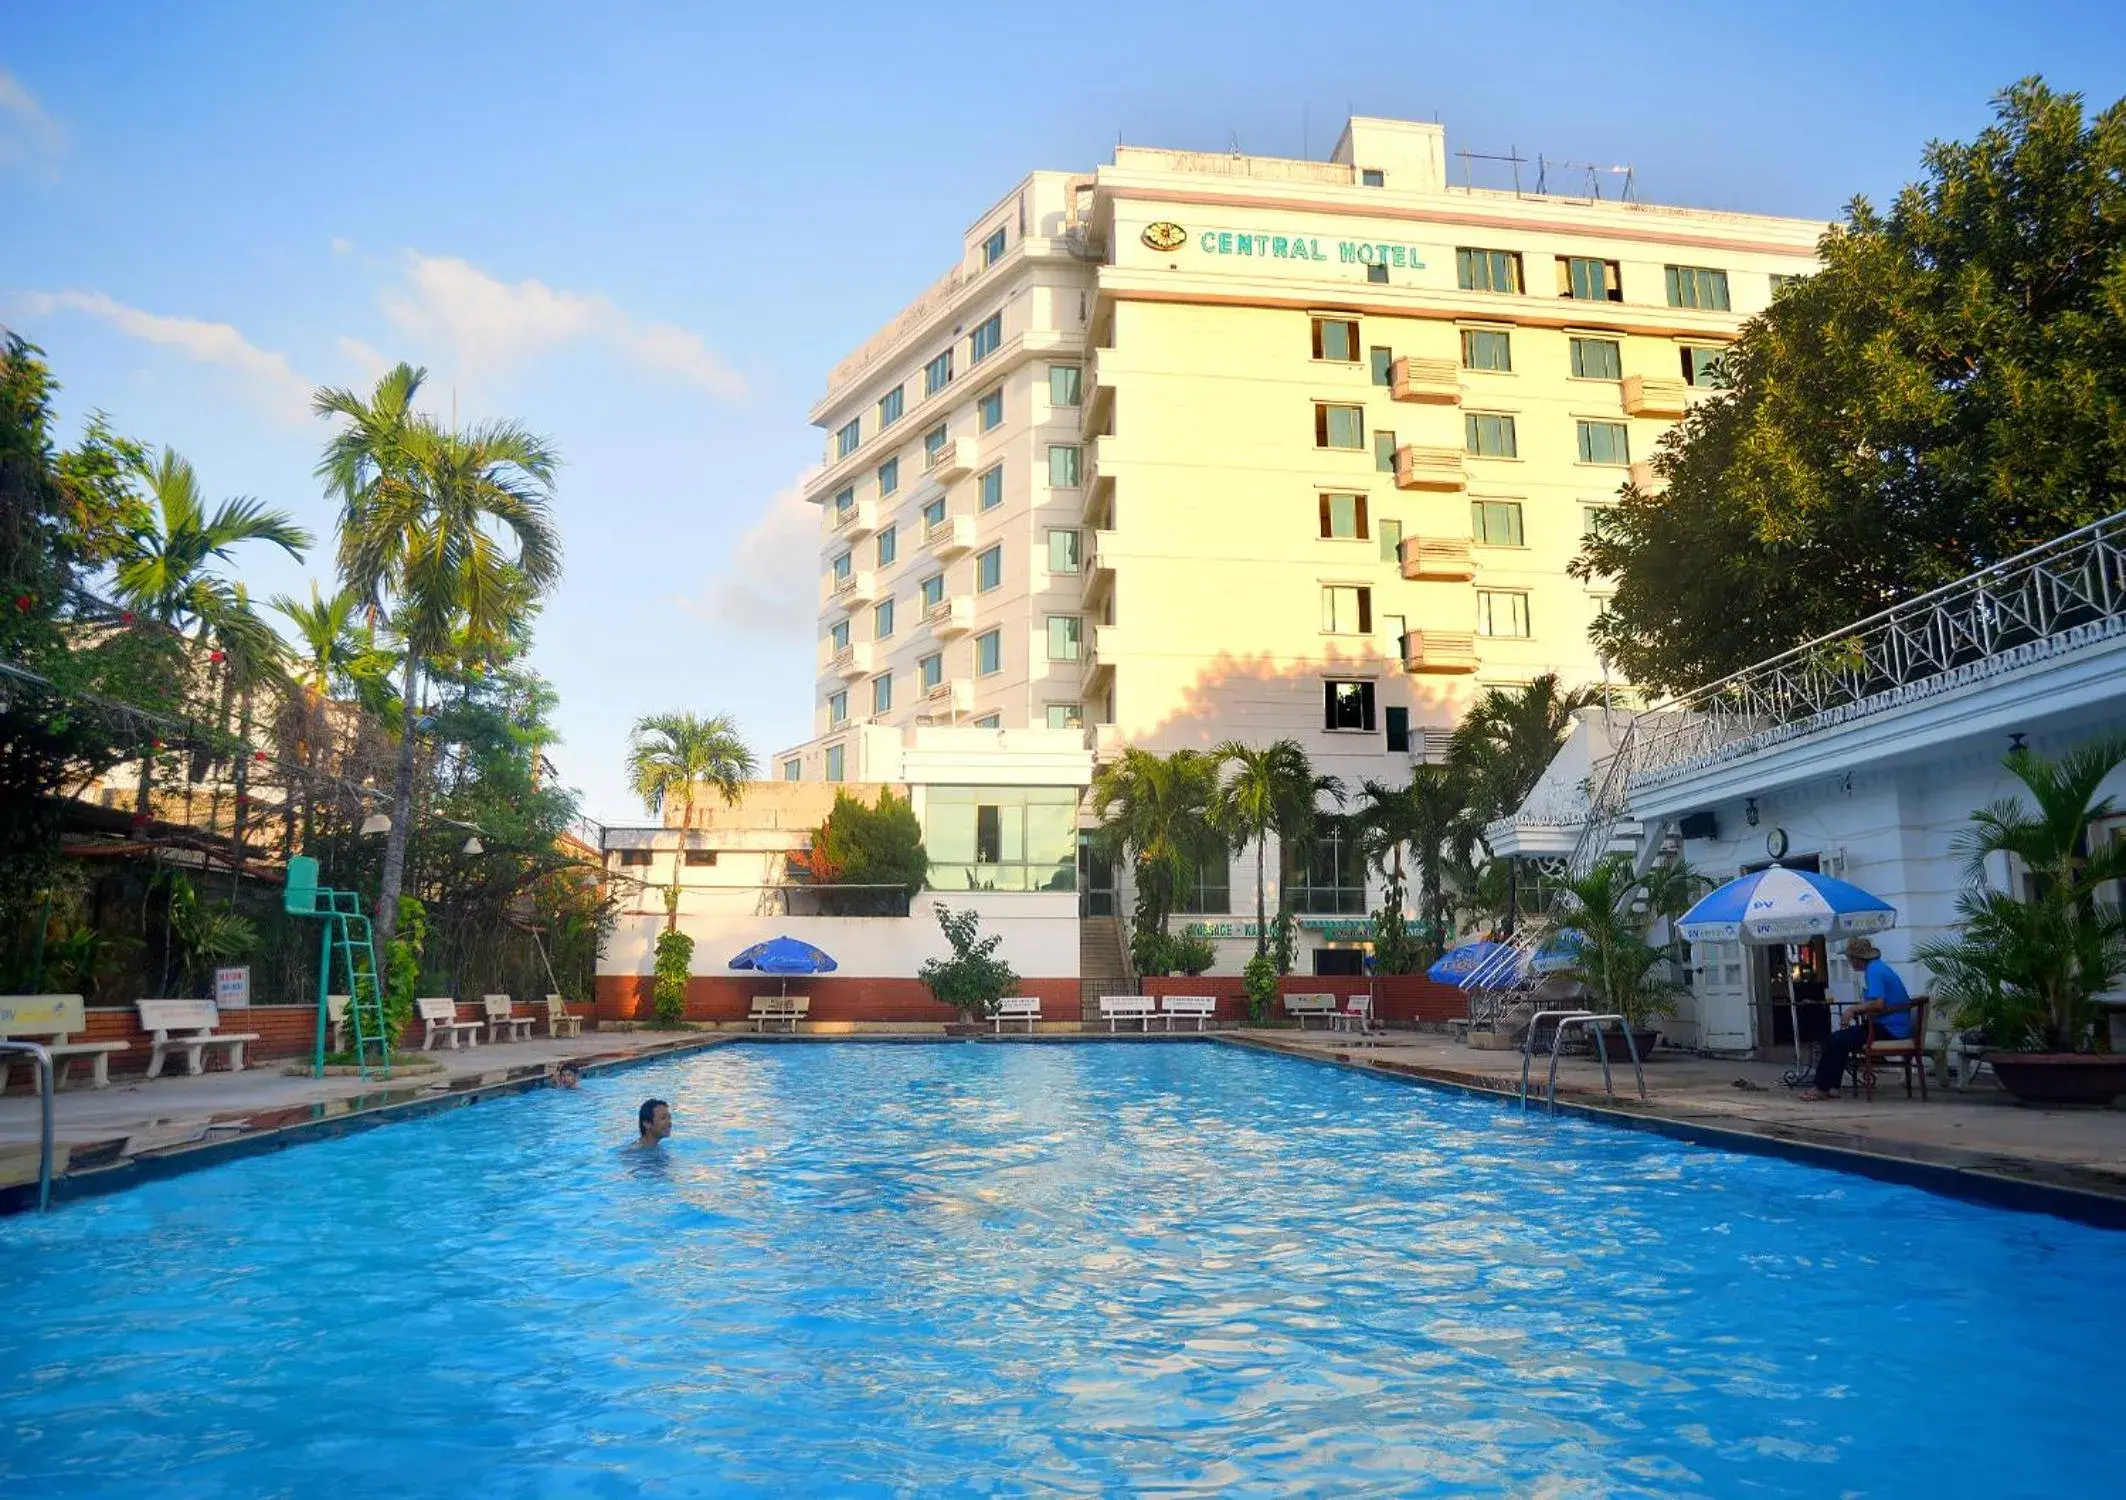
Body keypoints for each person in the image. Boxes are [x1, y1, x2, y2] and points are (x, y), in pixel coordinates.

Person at [1800, 938, 1913, 1100]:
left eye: (1850, 958)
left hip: (1890, 1028)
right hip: (1887, 1024)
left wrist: (1853, 1009)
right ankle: (1832, 1086)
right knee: (1838, 1039)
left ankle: (1822, 1087)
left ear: (1857, 959)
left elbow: (1878, 1004)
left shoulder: (1874, 971)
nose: (1849, 962)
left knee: (1837, 1040)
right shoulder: (1877, 968)